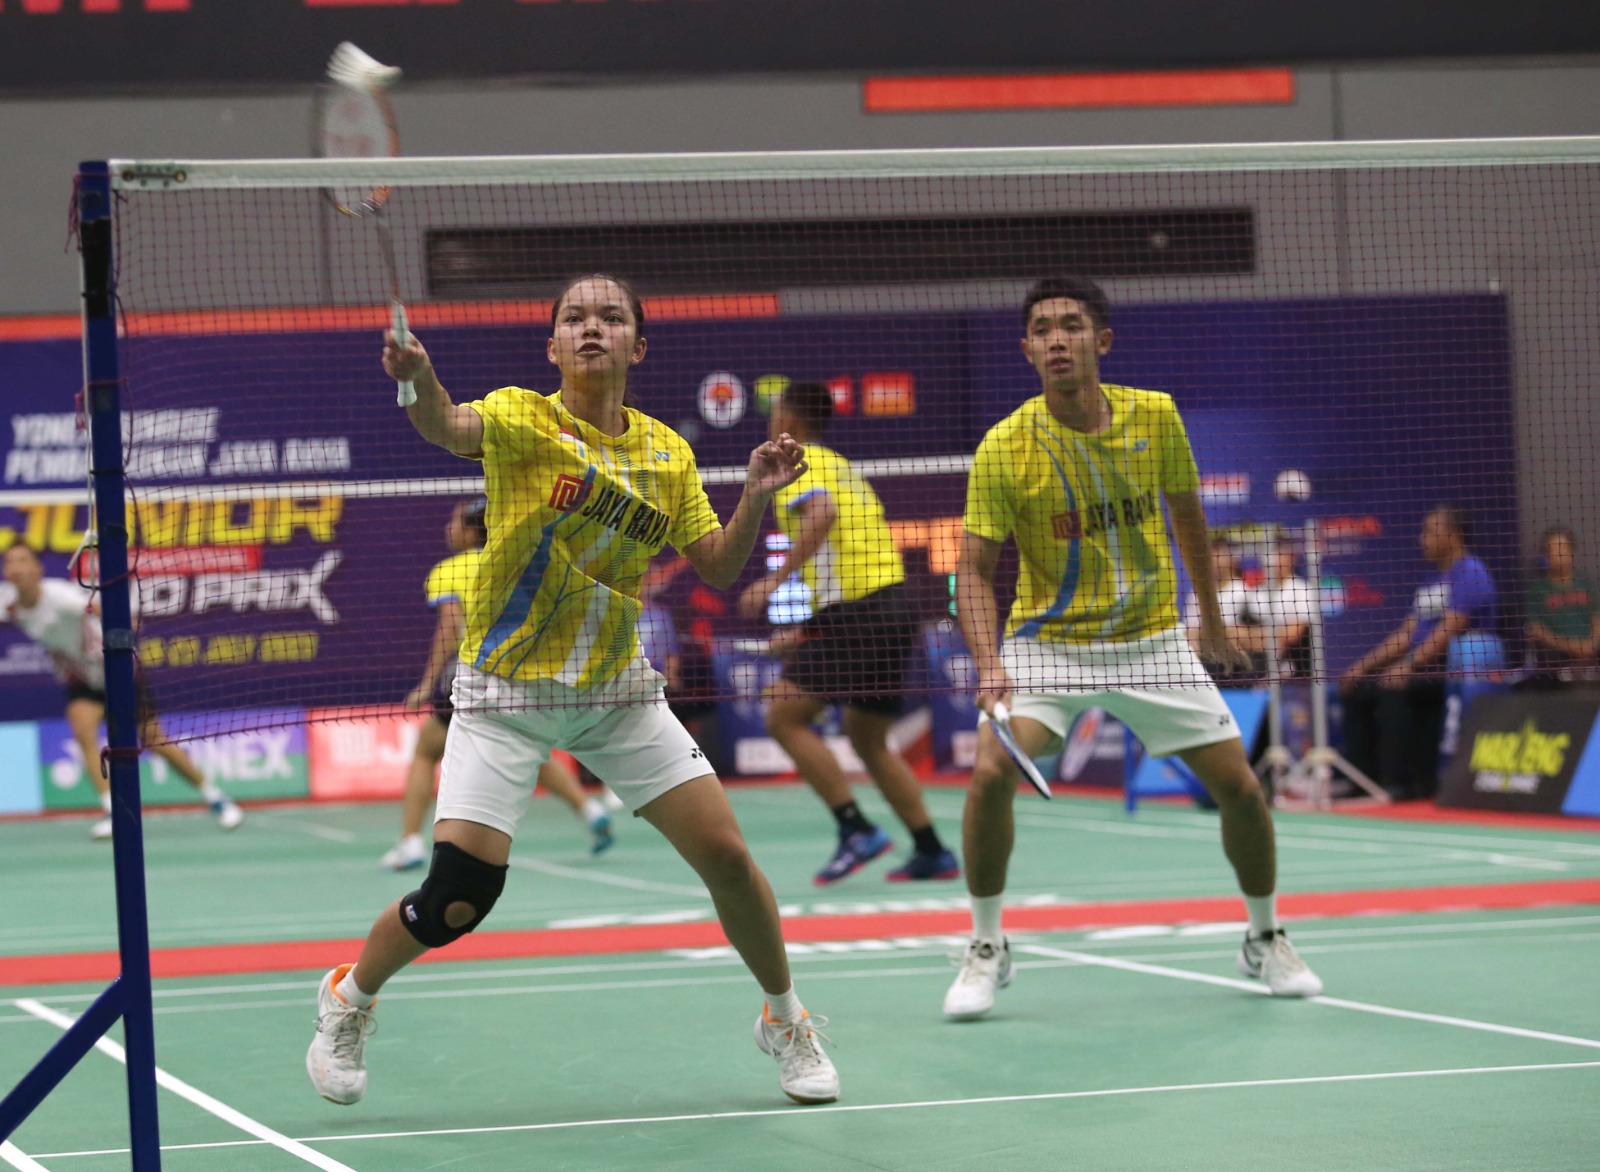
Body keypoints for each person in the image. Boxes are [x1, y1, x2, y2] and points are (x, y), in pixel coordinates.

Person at [307, 275, 838, 1108]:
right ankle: (349, 997)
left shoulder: (667, 454)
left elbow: (718, 564)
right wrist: (416, 378)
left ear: (638, 345)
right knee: (457, 900)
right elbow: (444, 424)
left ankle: (786, 1019)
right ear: (552, 345)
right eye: (575, 318)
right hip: (506, 694)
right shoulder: (522, 418)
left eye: (612, 317)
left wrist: (755, 500)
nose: (593, 328)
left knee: (729, 859)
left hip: (617, 692)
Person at [946, 276, 1322, 1021]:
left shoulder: (1155, 417)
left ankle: (1264, 935)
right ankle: (986, 945)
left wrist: (1208, 618)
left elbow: (1188, 516)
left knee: (1240, 789)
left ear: (1103, 340)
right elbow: (973, 571)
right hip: (1048, 646)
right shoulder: (1005, 447)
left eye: (1071, 325)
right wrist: (989, 663)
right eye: (1042, 329)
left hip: (1151, 640)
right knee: (990, 773)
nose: (1057, 339)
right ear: (1026, 350)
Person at [738, 381, 958, 885]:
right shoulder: (840, 465)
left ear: (792, 420)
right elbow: (847, 557)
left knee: (782, 715)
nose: (770, 422)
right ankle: (931, 849)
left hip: (858, 609)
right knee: (867, 736)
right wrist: (807, 629)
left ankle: (855, 828)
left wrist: (773, 581)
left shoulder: (795, 463)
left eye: (776, 412)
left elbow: (823, 515)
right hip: (894, 605)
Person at [379, 496, 615, 871]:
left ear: (473, 531)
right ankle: (589, 810)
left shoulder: (450, 570)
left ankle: (410, 842)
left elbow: (450, 627)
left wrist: (426, 683)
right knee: (526, 744)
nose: (448, 528)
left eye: (456, 522)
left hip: (473, 674)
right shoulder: (521, 558)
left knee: (426, 752)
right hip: (523, 671)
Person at [0, 543, 243, 839]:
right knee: (82, 730)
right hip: (83, 679)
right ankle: (111, 810)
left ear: (37, 568)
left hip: (117, 670)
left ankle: (216, 797)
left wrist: (123, 628)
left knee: (153, 739)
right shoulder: (12, 606)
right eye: (9, 562)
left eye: (23, 560)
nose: (16, 567)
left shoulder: (60, 597)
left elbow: (101, 609)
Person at [1339, 505, 1498, 799]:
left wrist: (1408, 664)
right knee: (1356, 689)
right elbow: (1405, 634)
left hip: (1453, 674)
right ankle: (1363, 781)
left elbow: (1449, 630)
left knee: (1393, 689)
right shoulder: (1430, 582)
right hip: (1422, 671)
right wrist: (1361, 666)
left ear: (1454, 535)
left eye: (1430, 531)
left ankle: (1401, 782)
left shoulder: (1471, 572)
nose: (1422, 538)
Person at [1525, 526, 1599, 684]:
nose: (1559, 554)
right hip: (1557, 653)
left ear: (1571, 551)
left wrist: (1590, 645)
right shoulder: (1536, 589)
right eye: (1553, 549)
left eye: (1563, 548)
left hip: (1591, 648)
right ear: (1546, 554)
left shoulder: (1586, 583)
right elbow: (1535, 629)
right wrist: (1571, 646)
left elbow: (1597, 618)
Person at [1233, 542, 1315, 680]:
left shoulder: (1303, 590)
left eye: (1280, 554)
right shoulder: (1256, 592)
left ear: (1291, 559)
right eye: (1271, 555)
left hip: (1294, 659)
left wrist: (1253, 635)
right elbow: (1239, 630)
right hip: (1257, 652)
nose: (1274, 560)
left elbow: (1293, 634)